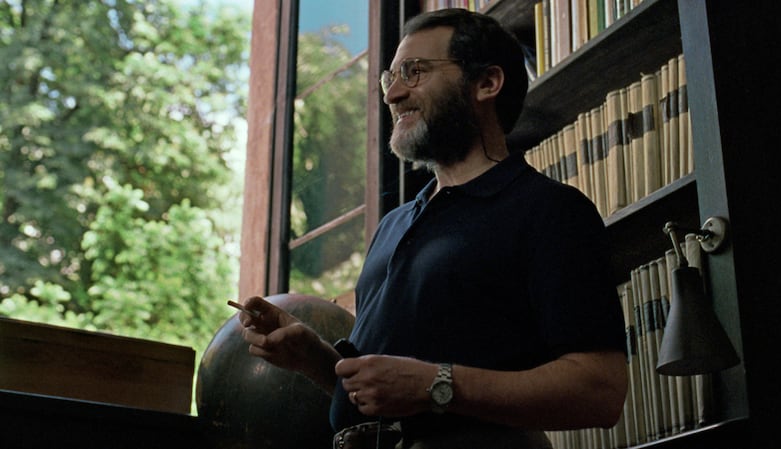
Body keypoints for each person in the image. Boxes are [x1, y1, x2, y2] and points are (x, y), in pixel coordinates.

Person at [237, 8, 627, 449]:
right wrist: (313, 358)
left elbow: (601, 391)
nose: (393, 95)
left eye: (414, 72)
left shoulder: (550, 210)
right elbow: (389, 400)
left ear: (487, 83)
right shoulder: (392, 226)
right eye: (390, 78)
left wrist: (435, 384)